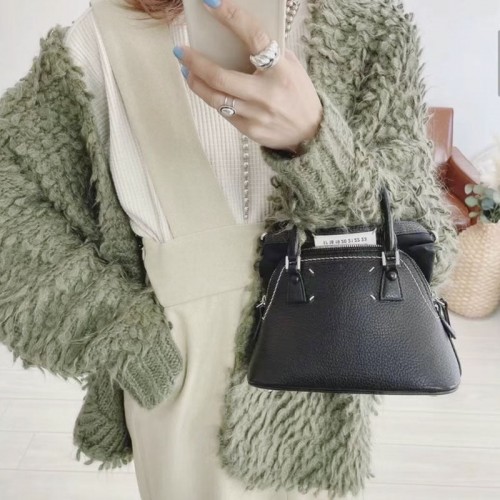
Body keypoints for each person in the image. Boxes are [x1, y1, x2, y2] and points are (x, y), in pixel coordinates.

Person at [0, 0, 458, 498]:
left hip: (326, 366)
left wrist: (317, 141)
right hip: (181, 373)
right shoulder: (107, 32)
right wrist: (112, 328)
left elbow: (425, 242)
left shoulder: (368, 27)